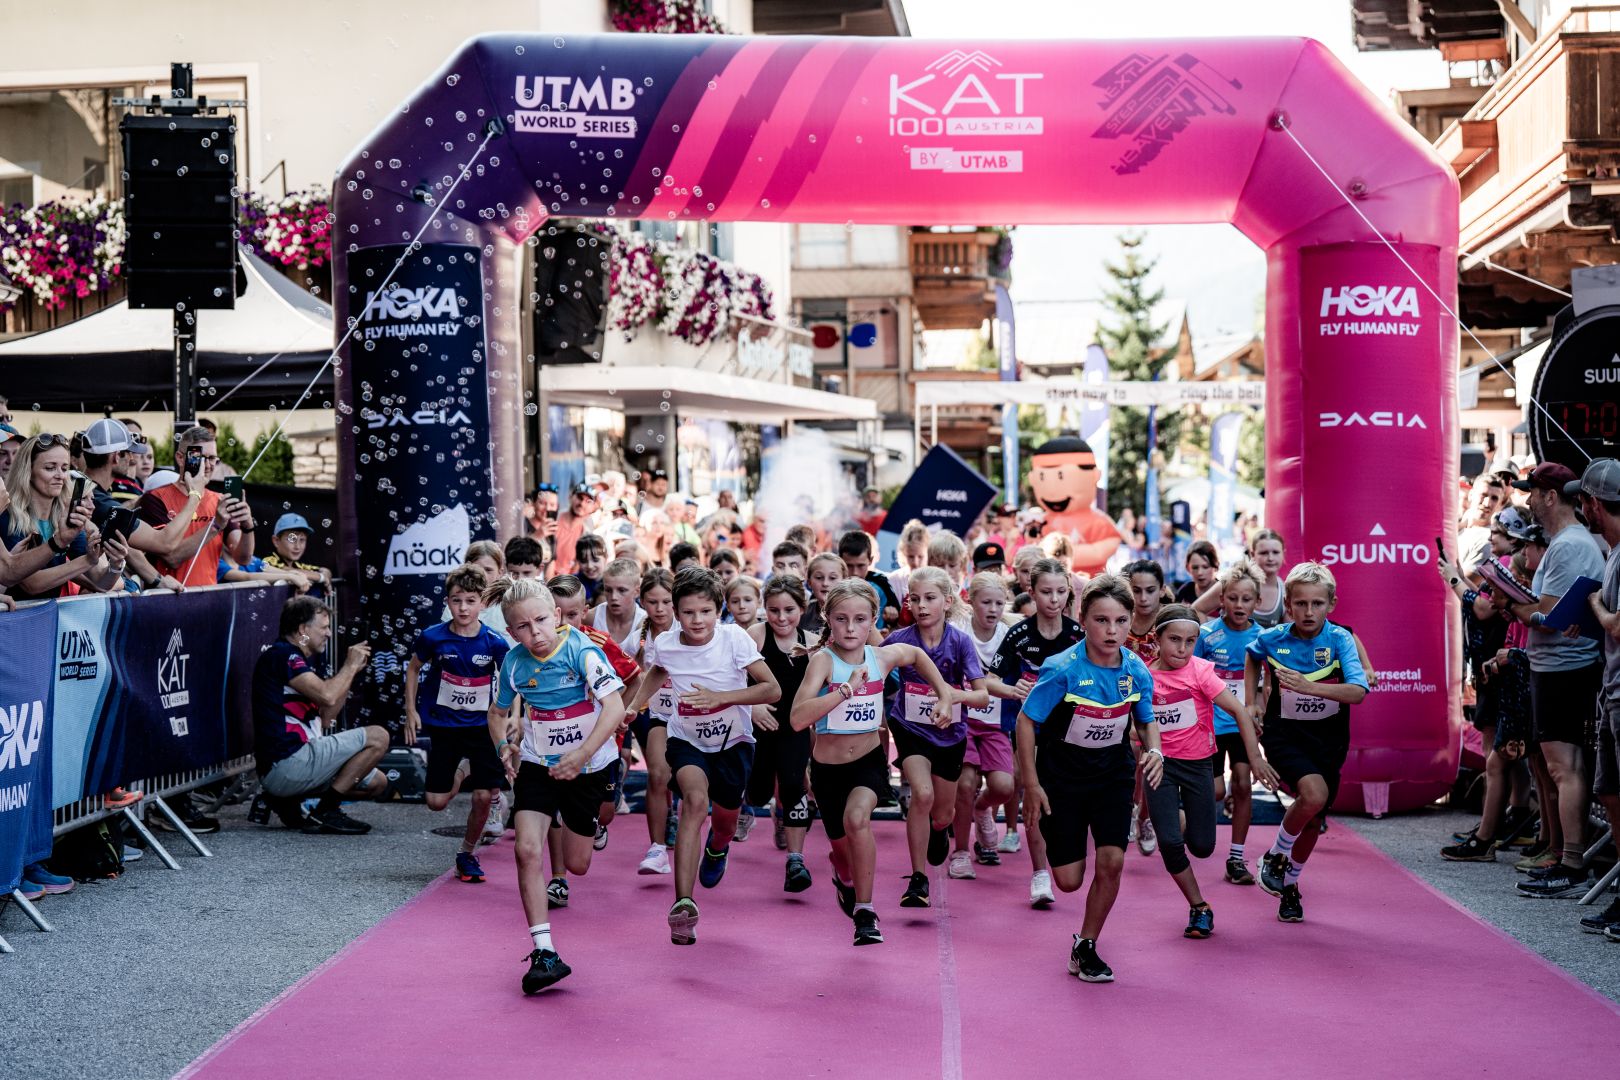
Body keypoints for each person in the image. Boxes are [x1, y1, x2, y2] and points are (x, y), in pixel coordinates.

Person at [792, 578, 957, 945]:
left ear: (873, 621)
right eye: (841, 619)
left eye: (860, 619)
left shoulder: (880, 656)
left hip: (868, 762)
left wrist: (944, 694)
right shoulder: (822, 662)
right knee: (842, 853)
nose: (851, 628)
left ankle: (865, 912)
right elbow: (798, 718)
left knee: (857, 819)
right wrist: (845, 691)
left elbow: (916, 656)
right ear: (828, 620)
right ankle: (844, 877)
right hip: (827, 771)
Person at [1016, 574, 1163, 983]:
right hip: (1061, 778)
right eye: (1101, 620)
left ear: (1131, 621)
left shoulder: (1136, 669)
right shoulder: (1061, 668)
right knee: (1068, 881)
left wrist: (1155, 751)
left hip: (1112, 775)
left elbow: (1146, 720)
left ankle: (1086, 945)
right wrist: (1031, 784)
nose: (1112, 630)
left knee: (1112, 860)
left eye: (1120, 621)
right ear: (1082, 620)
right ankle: (1058, 838)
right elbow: (1026, 722)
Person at [624, 567, 781, 946]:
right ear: (675, 612)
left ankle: (717, 848)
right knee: (693, 802)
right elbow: (658, 671)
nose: (697, 620)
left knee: (725, 824)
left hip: (733, 743)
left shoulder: (734, 639)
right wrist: (635, 705)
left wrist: (721, 699)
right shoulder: (666, 643)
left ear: (718, 610)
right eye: (689, 612)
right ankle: (683, 904)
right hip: (686, 740)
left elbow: (771, 689)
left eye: (706, 612)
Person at [486, 576, 627, 994]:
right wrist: (503, 747)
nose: (535, 633)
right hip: (538, 764)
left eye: (541, 621)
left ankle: (593, 827)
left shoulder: (582, 651)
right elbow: (496, 714)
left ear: (558, 615)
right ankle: (544, 951)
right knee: (526, 849)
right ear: (511, 632)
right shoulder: (514, 663)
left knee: (578, 864)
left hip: (590, 765)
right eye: (523, 627)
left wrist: (581, 755)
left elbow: (614, 706)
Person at [1249, 563, 1370, 922]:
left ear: (1331, 604)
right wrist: (1252, 700)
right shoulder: (1273, 638)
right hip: (1284, 734)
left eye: (1317, 603)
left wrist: (1309, 687)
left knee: (1314, 820)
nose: (1308, 611)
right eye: (1300, 603)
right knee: (1313, 794)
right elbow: (1253, 655)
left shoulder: (1340, 639)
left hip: (1329, 739)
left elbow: (1358, 691)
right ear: (1288, 604)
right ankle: (1274, 856)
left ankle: (1289, 887)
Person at [1147, 604, 1276, 937]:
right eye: (1174, 640)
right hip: (1160, 766)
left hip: (1197, 765)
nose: (1182, 649)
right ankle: (1199, 907)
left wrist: (1255, 758)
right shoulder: (1143, 676)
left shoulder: (1201, 672)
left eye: (1190, 641)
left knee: (1202, 846)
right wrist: (1138, 736)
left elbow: (1240, 712)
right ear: (1157, 639)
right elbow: (1132, 723)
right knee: (1170, 843)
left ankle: (1182, 818)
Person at [1508, 462, 1607, 898]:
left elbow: (1546, 616)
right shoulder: (1565, 544)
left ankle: (1571, 863)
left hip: (1565, 667)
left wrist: (1512, 604)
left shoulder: (1569, 545)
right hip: (1559, 666)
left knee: (1563, 767)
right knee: (1561, 767)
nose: (1528, 501)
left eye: (1531, 493)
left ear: (1550, 496)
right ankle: (1568, 859)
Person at [882, 566, 988, 907]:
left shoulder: (960, 642)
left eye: (930, 598)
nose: (922, 606)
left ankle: (939, 830)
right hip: (909, 727)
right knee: (922, 794)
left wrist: (953, 695)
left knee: (942, 814)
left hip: (949, 734)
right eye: (915, 599)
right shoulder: (899, 639)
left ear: (947, 601)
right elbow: (870, 663)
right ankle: (918, 878)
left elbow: (982, 696)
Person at [405, 565, 511, 883]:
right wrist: (410, 710)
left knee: (483, 796)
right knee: (436, 802)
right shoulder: (433, 637)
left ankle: (467, 853)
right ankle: (464, 770)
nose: (463, 608)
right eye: (456, 600)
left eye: (470, 600)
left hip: (482, 728)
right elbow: (413, 669)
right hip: (445, 726)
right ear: (447, 602)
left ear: (483, 603)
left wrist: (511, 717)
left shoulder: (494, 642)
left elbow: (511, 680)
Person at [989, 557, 1082, 906]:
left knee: (1065, 799)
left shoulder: (1078, 634)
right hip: (1028, 726)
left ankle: (1064, 855)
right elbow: (989, 680)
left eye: (1060, 592)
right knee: (1032, 791)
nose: (1054, 599)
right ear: (1031, 591)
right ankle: (1040, 873)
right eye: (1046, 592)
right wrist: (1013, 689)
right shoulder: (1018, 635)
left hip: (1071, 729)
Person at [252, 596, 387, 834]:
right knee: (379, 736)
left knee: (377, 783)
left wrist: (351, 673)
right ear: (303, 630)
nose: (329, 634)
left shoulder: (296, 658)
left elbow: (326, 717)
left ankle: (287, 800)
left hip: (297, 764)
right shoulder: (284, 655)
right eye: (324, 627)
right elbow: (327, 695)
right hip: (288, 762)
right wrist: (348, 666)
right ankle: (326, 811)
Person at [546, 574, 642, 896]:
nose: (563, 623)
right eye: (556, 614)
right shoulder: (537, 646)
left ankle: (596, 825)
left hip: (601, 748)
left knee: (605, 812)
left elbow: (635, 678)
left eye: (572, 614)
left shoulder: (598, 644)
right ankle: (558, 879)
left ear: (585, 612)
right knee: (554, 810)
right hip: (555, 744)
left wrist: (620, 714)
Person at [1194, 559, 1267, 883]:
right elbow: (1191, 679)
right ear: (1221, 599)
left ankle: (1236, 859)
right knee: (1215, 791)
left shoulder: (1263, 638)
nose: (1239, 605)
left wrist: (1260, 709)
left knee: (1242, 784)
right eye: (1233, 598)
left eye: (1246, 599)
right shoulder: (1207, 635)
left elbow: (1265, 685)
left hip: (1241, 724)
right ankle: (1185, 814)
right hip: (1209, 723)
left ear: (1257, 602)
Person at [1572, 459, 1620, 937]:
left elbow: (1618, 625)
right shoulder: (1612, 552)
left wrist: (1593, 606)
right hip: (1612, 690)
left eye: (1582, 499)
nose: (1580, 508)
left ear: (1594, 505)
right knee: (1609, 792)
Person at [744, 574, 816, 890]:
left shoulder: (813, 643)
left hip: (794, 727)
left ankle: (796, 860)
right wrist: (752, 708)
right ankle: (770, 808)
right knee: (758, 792)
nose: (782, 618)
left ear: (802, 608)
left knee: (792, 783)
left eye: (789, 610)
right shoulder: (756, 635)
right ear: (765, 609)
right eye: (774, 610)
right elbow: (729, 679)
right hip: (759, 727)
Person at [1, 433, 126, 599]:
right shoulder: (8, 515)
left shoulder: (65, 517)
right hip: (16, 614)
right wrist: (85, 561)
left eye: (65, 468)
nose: (60, 475)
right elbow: (32, 584)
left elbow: (101, 583)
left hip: (49, 613)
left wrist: (116, 564)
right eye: (50, 468)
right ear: (28, 470)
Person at [950, 571, 1016, 878]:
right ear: (971, 601)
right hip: (962, 718)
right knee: (965, 783)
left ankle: (982, 807)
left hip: (994, 722)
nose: (993, 609)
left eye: (999, 603)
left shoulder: (1008, 636)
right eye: (986, 602)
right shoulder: (958, 629)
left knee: (1003, 787)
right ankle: (961, 852)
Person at [136, 425, 255, 588]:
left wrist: (248, 526)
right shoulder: (155, 498)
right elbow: (172, 557)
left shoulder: (218, 500)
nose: (207, 465)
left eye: (212, 458)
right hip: (169, 597)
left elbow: (242, 559)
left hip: (208, 595)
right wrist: (215, 525)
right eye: (199, 457)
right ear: (180, 458)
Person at [630, 568, 679, 874]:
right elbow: (631, 676)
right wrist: (629, 708)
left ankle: (711, 838)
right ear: (643, 602)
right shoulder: (639, 636)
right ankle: (657, 848)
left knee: (689, 782)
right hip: (658, 715)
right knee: (658, 775)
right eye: (652, 602)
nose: (659, 609)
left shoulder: (689, 627)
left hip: (694, 716)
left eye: (666, 601)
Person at [838, 530, 901, 627]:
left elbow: (897, 616)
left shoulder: (881, 582)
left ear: (870, 560)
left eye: (860, 565)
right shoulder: (832, 582)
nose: (855, 572)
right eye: (849, 566)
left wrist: (893, 614)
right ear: (840, 561)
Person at [591, 557, 646, 654]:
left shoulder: (646, 624)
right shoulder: (591, 618)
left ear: (637, 592)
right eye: (608, 590)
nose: (613, 597)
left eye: (621, 590)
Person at [799, 552, 846, 635]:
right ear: (809, 582)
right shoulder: (802, 614)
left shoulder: (855, 611)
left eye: (832, 578)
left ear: (844, 581)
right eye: (819, 577)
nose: (825, 583)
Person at [1175, 540, 1219, 608]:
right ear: (1188, 568)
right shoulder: (1184, 592)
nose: (1199, 573)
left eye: (1205, 567)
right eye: (1195, 568)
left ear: (1215, 566)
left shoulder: (1224, 593)